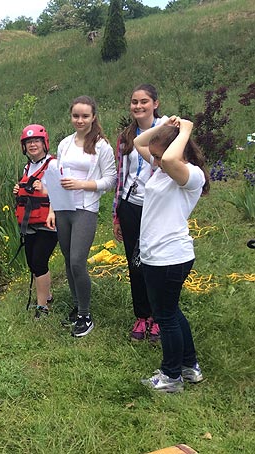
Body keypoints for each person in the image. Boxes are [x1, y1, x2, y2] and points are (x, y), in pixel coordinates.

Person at [134, 117, 209, 393]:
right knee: (171, 312)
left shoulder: (190, 175)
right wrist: (166, 126)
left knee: (164, 316)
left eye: (158, 156)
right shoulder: (163, 169)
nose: (154, 161)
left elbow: (168, 159)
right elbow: (138, 142)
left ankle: (171, 376)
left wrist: (186, 130)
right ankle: (190, 367)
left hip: (169, 257)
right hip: (157, 256)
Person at [46, 96, 116, 337]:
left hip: (85, 209)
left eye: (85, 116)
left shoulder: (101, 146)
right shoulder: (65, 144)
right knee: (67, 259)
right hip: (63, 208)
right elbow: (56, 177)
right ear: (71, 116)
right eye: (76, 115)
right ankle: (76, 306)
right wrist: (52, 209)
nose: (80, 120)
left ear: (93, 117)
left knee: (77, 261)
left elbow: (110, 180)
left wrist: (82, 184)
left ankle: (86, 314)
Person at [112, 84, 168, 343]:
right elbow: (121, 177)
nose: (138, 106)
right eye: (134, 102)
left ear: (155, 103)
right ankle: (142, 315)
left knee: (154, 261)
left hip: (155, 205)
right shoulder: (125, 136)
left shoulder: (167, 132)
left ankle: (158, 316)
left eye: (144, 101)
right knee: (134, 261)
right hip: (129, 204)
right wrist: (116, 214)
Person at [13, 124, 58, 320]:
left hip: (48, 223)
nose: (33, 145)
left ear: (44, 143)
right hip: (30, 222)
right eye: (29, 142)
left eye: (36, 141)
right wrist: (19, 189)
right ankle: (47, 295)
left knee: (39, 262)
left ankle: (42, 307)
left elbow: (62, 193)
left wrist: (44, 190)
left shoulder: (53, 165)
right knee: (32, 262)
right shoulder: (28, 167)